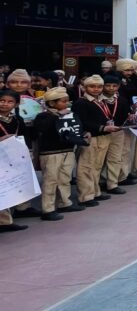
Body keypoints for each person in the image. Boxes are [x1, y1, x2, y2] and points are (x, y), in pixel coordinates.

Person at [34, 87, 88, 220]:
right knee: (50, 180)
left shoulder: (70, 114)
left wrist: (84, 134)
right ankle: (48, 208)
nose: (67, 104)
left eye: (67, 101)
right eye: (63, 101)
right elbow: (41, 128)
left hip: (67, 150)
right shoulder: (43, 116)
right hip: (50, 153)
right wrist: (57, 115)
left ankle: (65, 202)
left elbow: (76, 128)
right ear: (52, 103)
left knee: (65, 178)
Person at [70, 75, 119, 207]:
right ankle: (85, 196)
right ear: (85, 87)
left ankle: (95, 191)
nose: (96, 89)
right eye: (92, 86)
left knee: (97, 166)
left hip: (104, 136)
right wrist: (102, 127)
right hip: (91, 138)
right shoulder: (81, 103)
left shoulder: (101, 101)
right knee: (86, 167)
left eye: (99, 87)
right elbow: (82, 122)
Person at [0, 90, 29, 232]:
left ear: (16, 104)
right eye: (2, 100)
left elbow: (23, 137)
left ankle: (6, 220)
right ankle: (4, 222)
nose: (5, 104)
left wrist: (26, 152)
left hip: (11, 157)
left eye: (10, 101)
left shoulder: (17, 119)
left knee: (8, 187)